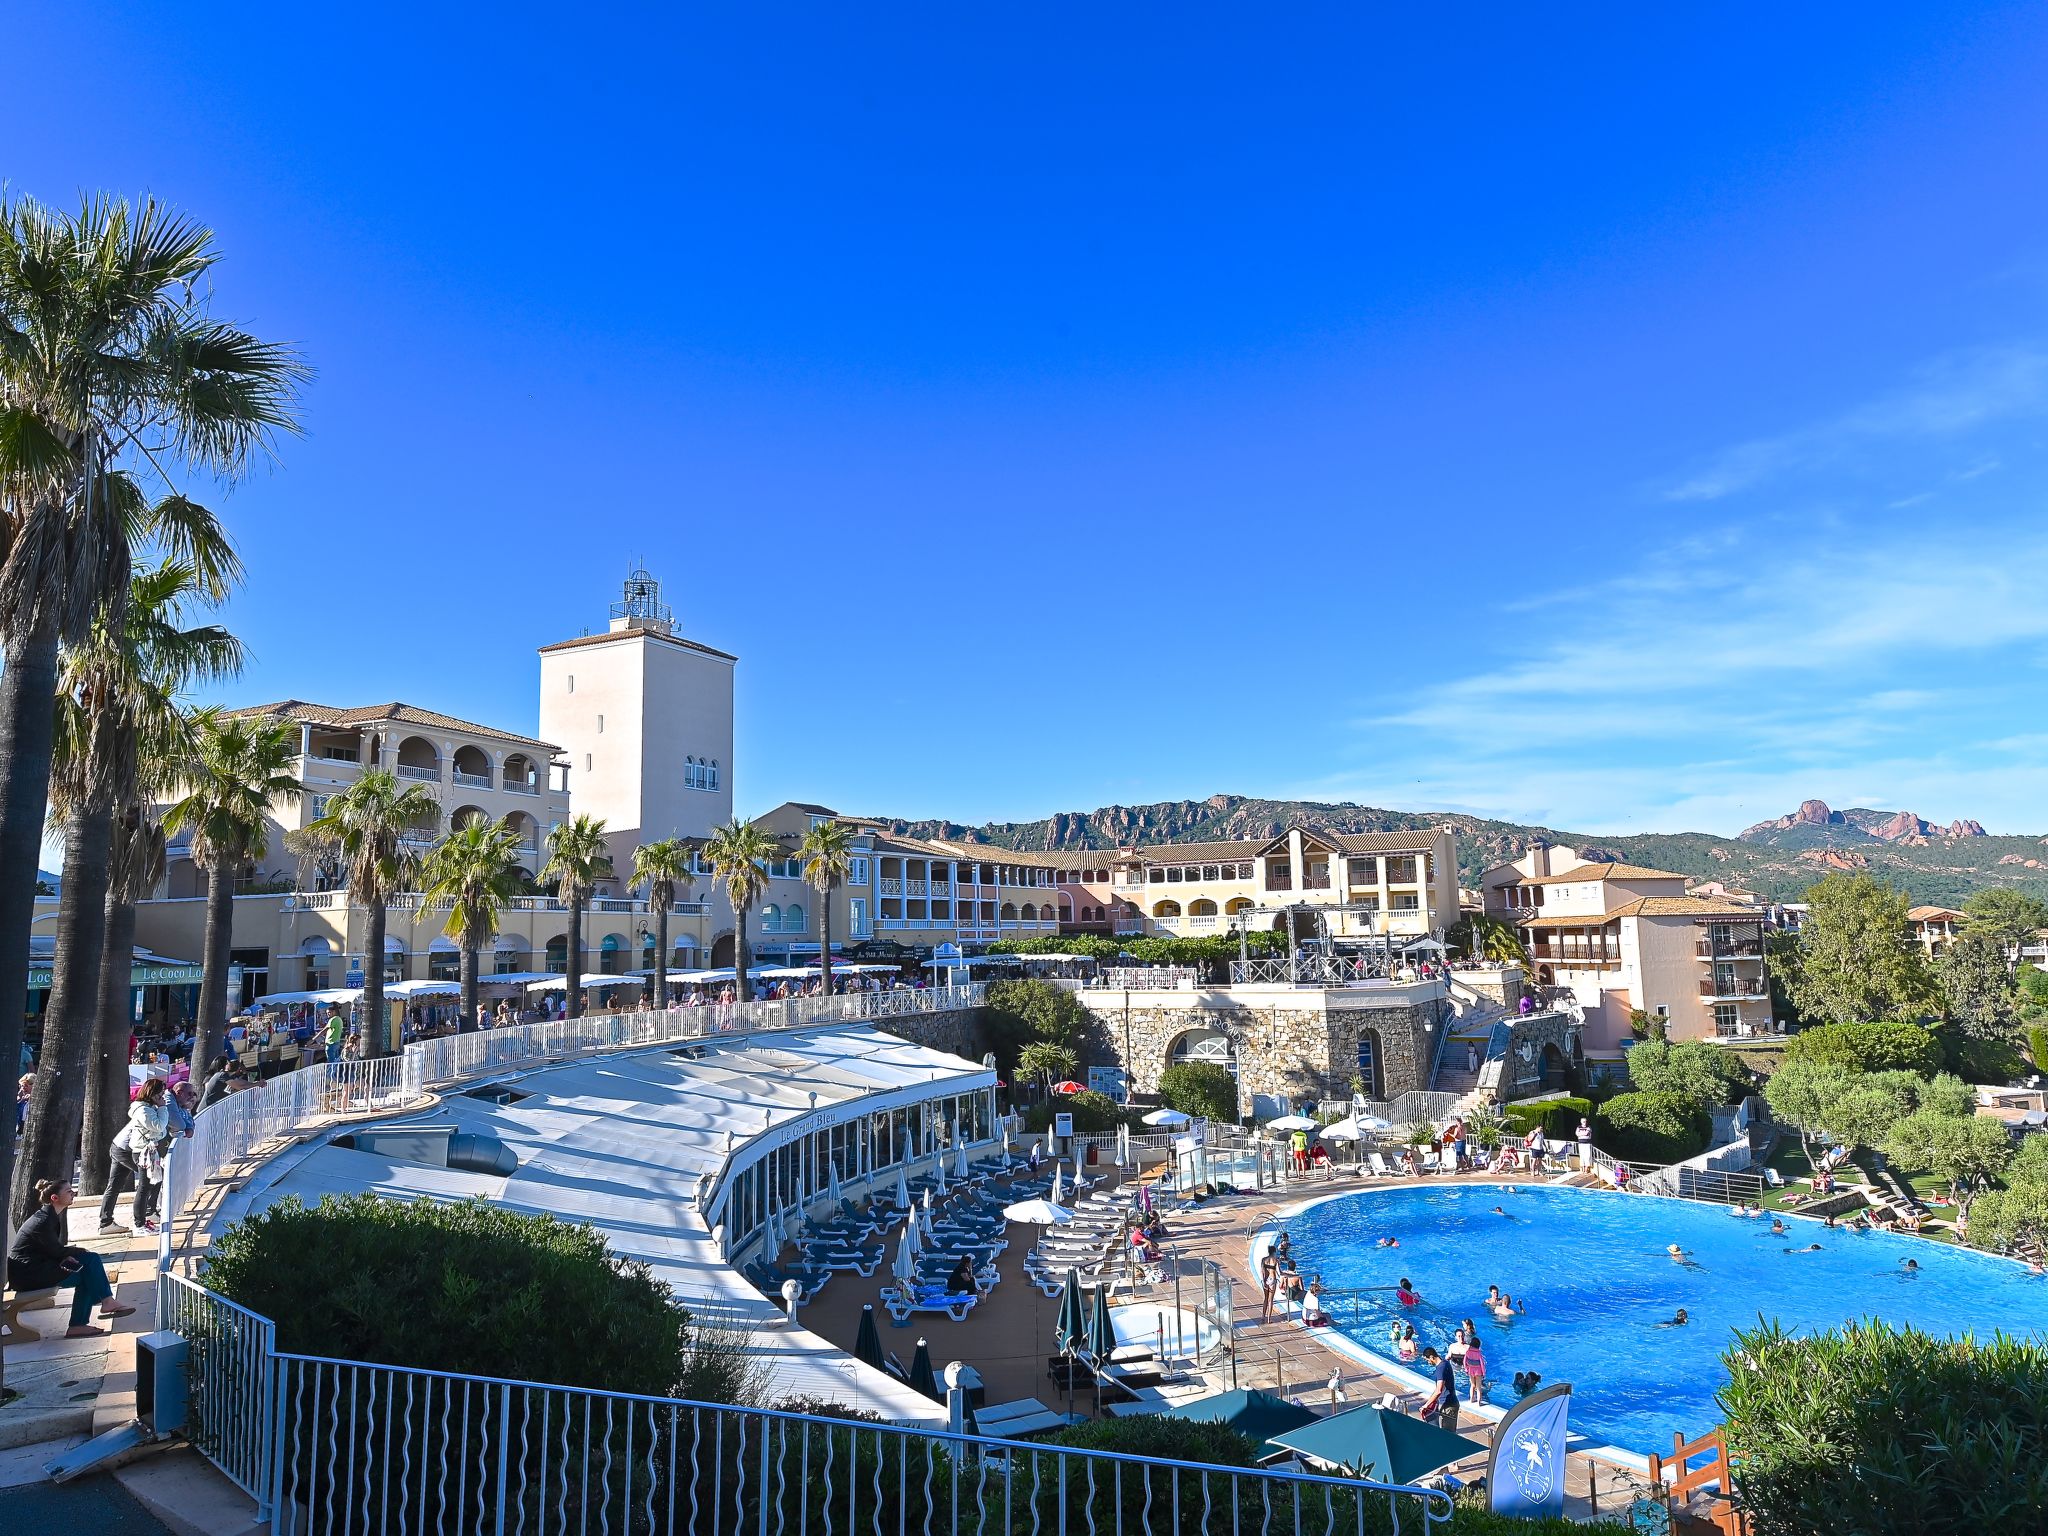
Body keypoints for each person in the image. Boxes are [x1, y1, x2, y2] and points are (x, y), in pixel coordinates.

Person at [8, 1181, 137, 1339]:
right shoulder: (43, 1221)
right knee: (91, 1261)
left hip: (35, 1269)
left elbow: (51, 1250)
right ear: (55, 1197)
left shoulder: (48, 1216)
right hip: (29, 1275)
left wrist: (68, 1255)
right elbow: (56, 1251)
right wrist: (77, 1251)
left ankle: (81, 1323)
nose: (73, 1193)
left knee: (87, 1272)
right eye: (69, 1191)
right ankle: (102, 1305)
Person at [100, 1078, 172, 1233]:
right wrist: (163, 1108)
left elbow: (160, 1130)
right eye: (161, 1094)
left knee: (118, 1185)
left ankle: (106, 1223)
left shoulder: (148, 1108)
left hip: (125, 1147)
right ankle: (145, 1215)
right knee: (151, 1180)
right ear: (153, 1094)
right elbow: (159, 1127)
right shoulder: (144, 1110)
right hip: (126, 1149)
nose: (163, 1097)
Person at [1419, 1347, 1460, 1431]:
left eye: (1428, 1360)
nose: (1428, 1362)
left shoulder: (1440, 1369)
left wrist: (1426, 1405)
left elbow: (1438, 1391)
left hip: (1448, 1405)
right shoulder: (1445, 1363)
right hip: (1449, 1403)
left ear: (1431, 1357)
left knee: (1448, 1435)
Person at [1463, 1335, 1488, 1403]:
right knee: (1478, 1387)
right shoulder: (1479, 1353)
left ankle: (1471, 1399)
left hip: (1471, 1371)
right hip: (1478, 1372)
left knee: (1472, 1385)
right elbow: (1482, 1364)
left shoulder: (1468, 1352)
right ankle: (1479, 1402)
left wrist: (1466, 1369)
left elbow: (1464, 1361)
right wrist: (1484, 1373)